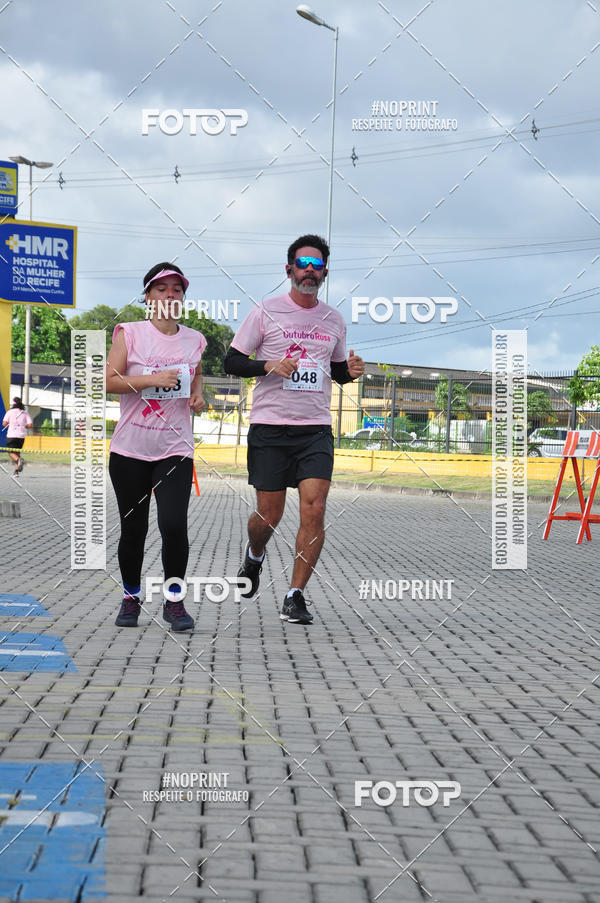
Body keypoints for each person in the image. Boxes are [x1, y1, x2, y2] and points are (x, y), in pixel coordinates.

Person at [224, 234, 364, 625]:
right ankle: (254, 557)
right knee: (268, 515)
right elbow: (231, 361)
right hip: (270, 427)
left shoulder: (333, 319)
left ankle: (295, 594)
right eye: (303, 263)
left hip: (315, 430)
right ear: (289, 269)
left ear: (323, 274)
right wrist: (267, 365)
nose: (310, 270)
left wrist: (348, 374)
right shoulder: (265, 311)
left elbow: (334, 371)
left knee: (314, 510)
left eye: (318, 265)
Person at [106, 262, 206, 631]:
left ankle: (174, 602)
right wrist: (152, 378)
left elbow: (195, 378)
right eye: (161, 289)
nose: (169, 295)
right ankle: (131, 596)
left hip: (174, 448)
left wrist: (197, 397)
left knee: (174, 526)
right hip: (130, 449)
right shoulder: (129, 333)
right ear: (147, 296)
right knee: (134, 530)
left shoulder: (195, 339)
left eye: (176, 290)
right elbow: (109, 381)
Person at [3, 397, 33, 476]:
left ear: (13, 403)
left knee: (10, 452)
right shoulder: (25, 413)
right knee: (17, 453)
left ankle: (19, 460)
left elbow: (4, 423)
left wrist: (11, 424)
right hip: (21, 436)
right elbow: (30, 425)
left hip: (12, 435)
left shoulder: (10, 412)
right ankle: (16, 472)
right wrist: (23, 426)